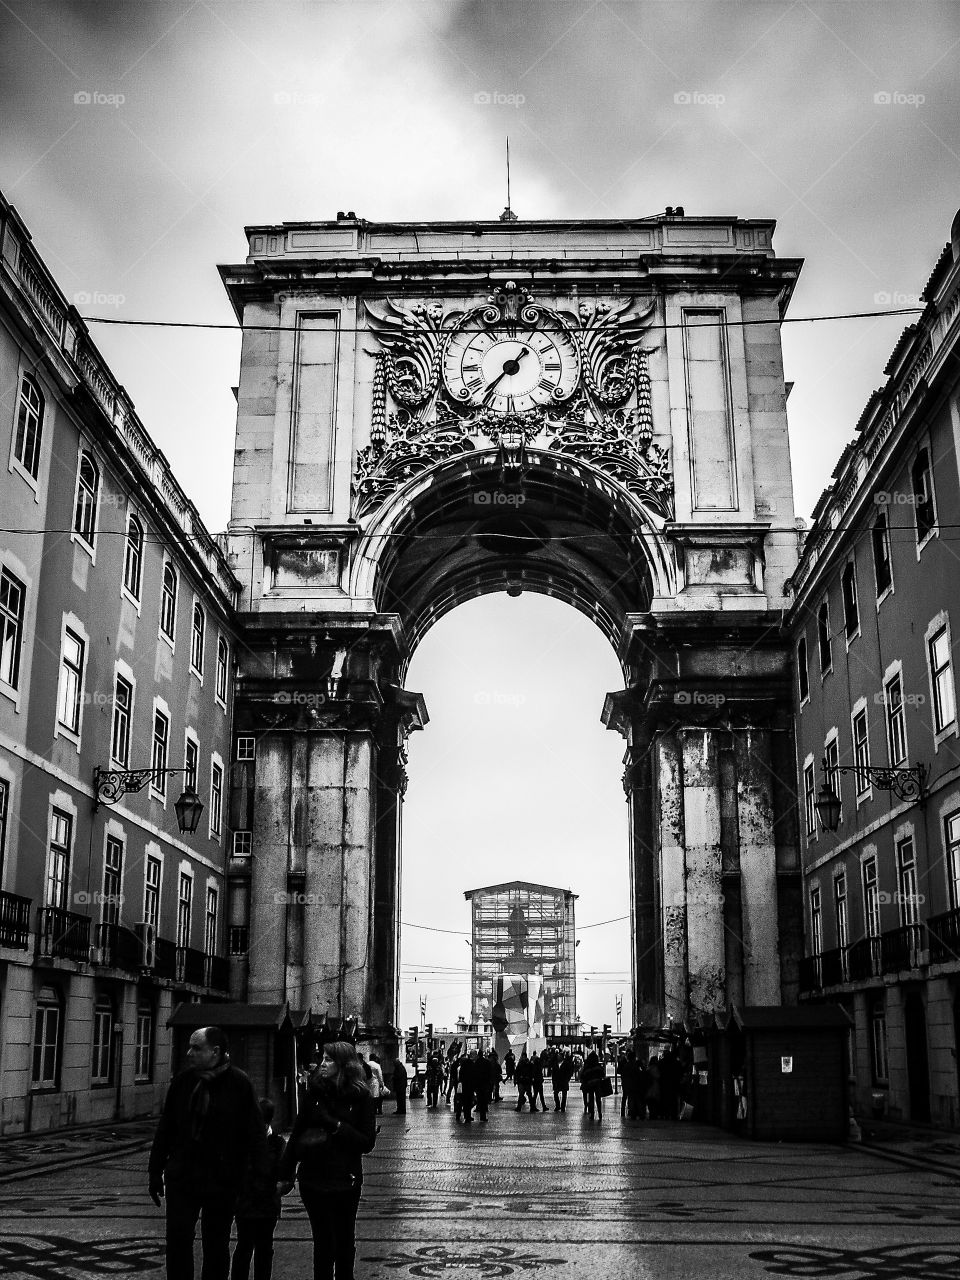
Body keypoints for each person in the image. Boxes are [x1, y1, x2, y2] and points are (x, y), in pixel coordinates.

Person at [149, 1025, 267, 1280]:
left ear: (215, 1052)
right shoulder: (184, 1081)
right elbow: (167, 1127)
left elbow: (256, 1134)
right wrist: (155, 1170)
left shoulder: (239, 1083)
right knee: (178, 1240)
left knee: (216, 1243)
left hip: (221, 1179)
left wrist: (259, 1180)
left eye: (196, 1047)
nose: (188, 1052)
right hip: (183, 1176)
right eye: (189, 1046)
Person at [277, 1041, 377, 1280]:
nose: (322, 1064)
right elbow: (298, 1133)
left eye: (329, 1059)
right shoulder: (314, 1093)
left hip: (346, 1179)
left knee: (344, 1238)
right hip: (313, 1178)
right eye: (323, 1058)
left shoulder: (361, 1097)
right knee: (322, 1240)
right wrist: (284, 1174)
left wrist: (336, 1126)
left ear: (344, 1064)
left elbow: (366, 1142)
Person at [231, 1097, 285, 1280]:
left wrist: (280, 1187)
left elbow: (283, 1173)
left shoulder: (276, 1143)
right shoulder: (244, 1141)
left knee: (263, 1248)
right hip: (246, 1203)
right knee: (244, 1247)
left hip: (266, 1204)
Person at [581, 1049, 605, 1121]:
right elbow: (602, 1075)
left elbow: (583, 1075)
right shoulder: (598, 1066)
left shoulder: (587, 1066)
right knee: (598, 1099)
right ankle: (600, 1113)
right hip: (597, 1084)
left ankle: (592, 1113)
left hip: (590, 1084)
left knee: (591, 1099)